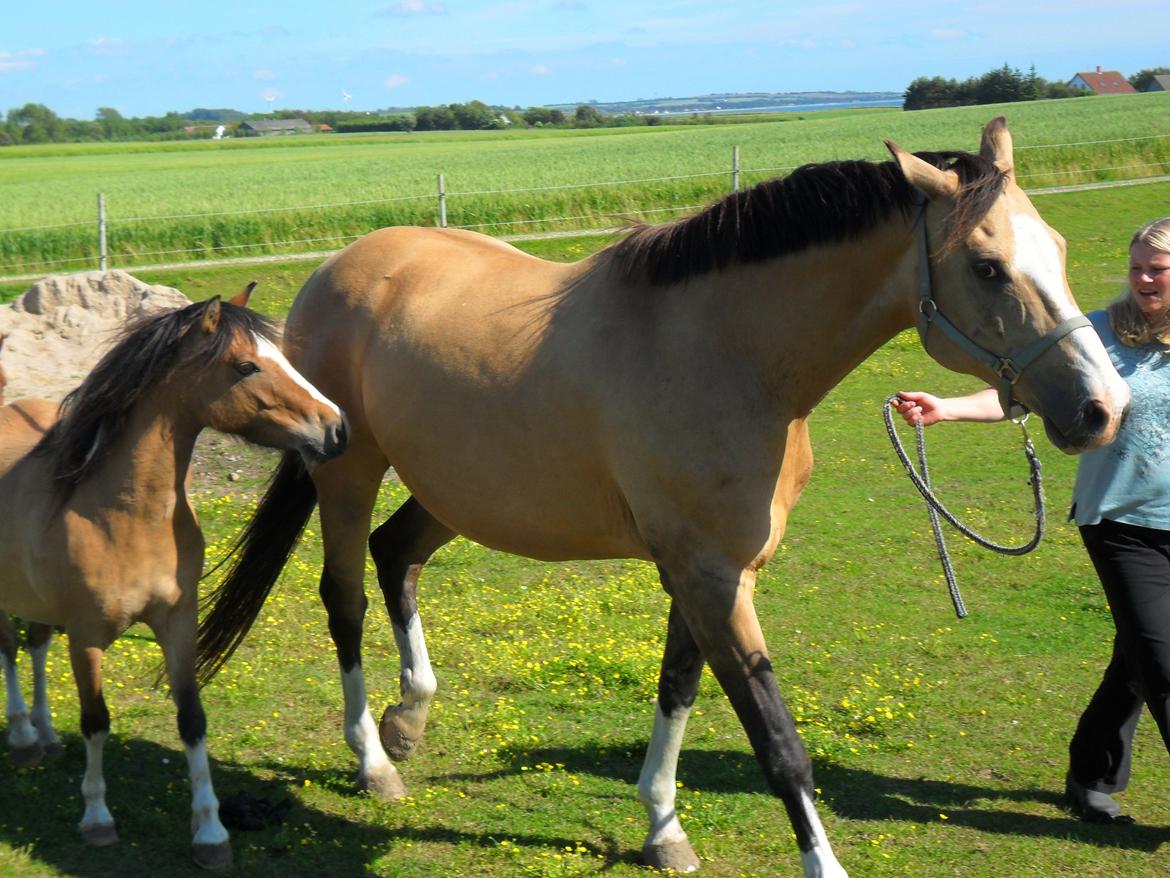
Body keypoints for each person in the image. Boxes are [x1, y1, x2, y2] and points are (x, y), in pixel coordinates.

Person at [891, 216, 1170, 825]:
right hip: (1123, 523)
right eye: (1136, 267)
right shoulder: (1098, 334)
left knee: (1137, 662)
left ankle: (1089, 774)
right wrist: (950, 408)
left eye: (1158, 269)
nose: (1144, 278)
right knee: (1164, 662)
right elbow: (1021, 389)